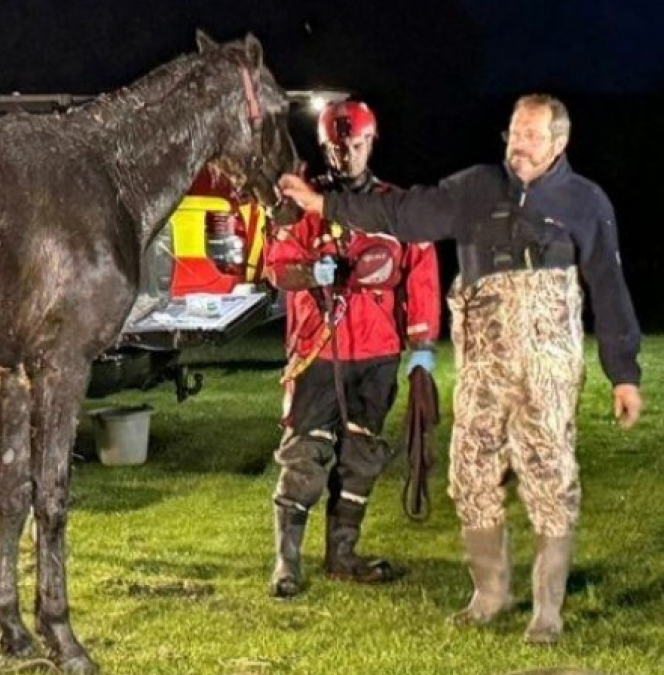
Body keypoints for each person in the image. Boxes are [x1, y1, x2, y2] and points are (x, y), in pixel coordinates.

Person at [279, 94, 643, 643]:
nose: (518, 147)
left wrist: (624, 373)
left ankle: (547, 609)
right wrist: (322, 206)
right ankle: (490, 593)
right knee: (470, 475)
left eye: (532, 138)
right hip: (482, 370)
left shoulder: (586, 203)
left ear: (559, 144)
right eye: (514, 135)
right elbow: (400, 215)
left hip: (547, 369)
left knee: (551, 478)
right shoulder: (474, 189)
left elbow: (609, 288)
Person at [263, 100, 440, 598]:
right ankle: (286, 562)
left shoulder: (397, 209)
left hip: (377, 355)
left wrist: (422, 348)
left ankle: (342, 555)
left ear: (371, 143)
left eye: (357, 146)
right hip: (318, 353)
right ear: (326, 148)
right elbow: (275, 265)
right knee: (305, 458)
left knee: (361, 456)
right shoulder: (301, 205)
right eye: (338, 149)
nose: (347, 157)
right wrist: (308, 273)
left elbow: (420, 277)